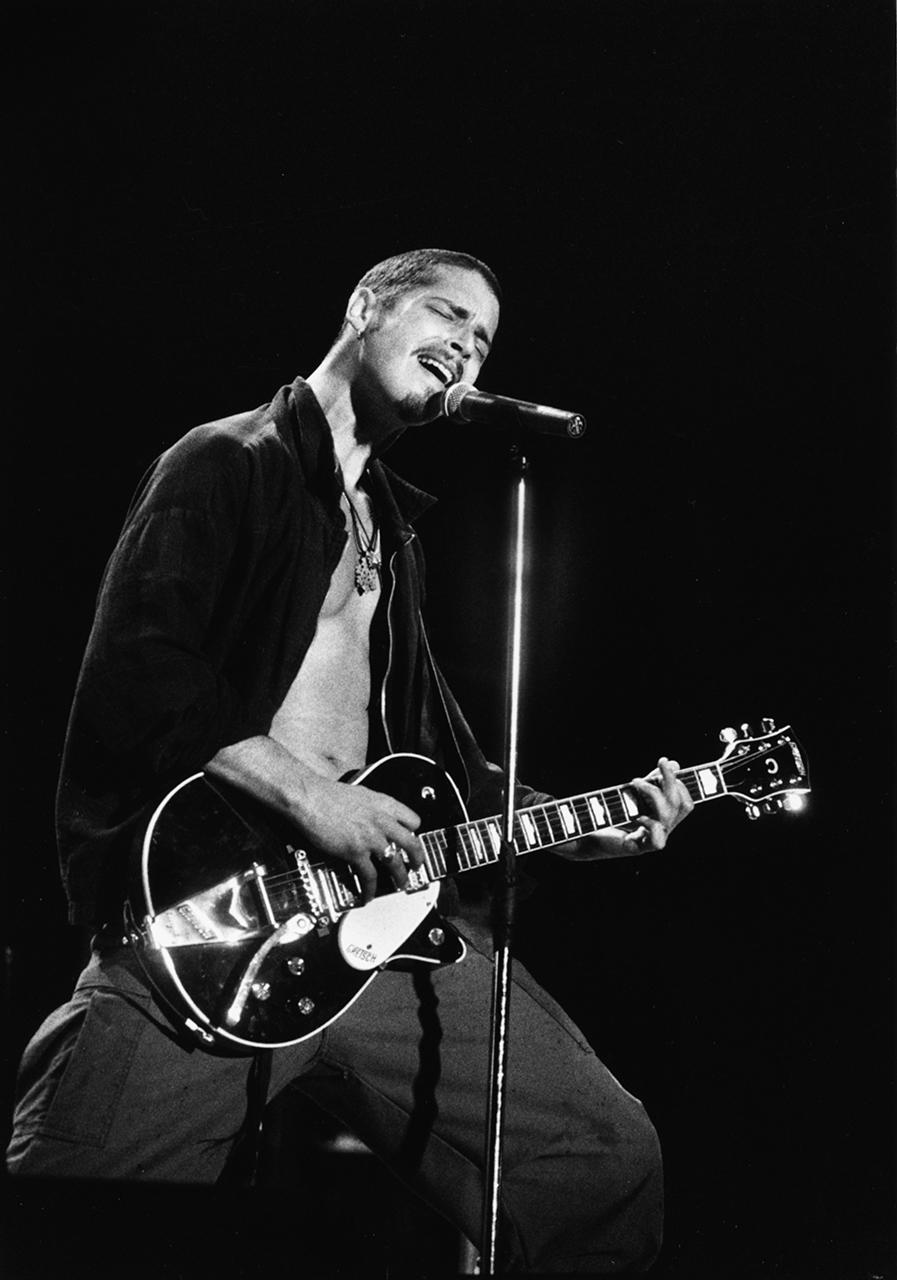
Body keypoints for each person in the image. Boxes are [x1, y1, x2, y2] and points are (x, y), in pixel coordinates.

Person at [7, 248, 693, 1273]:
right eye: (445, 310)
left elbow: (446, 765)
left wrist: (585, 822)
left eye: (485, 336)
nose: (467, 341)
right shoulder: (225, 461)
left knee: (601, 1157)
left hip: (378, 931)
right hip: (215, 921)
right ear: (366, 305)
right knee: (74, 1217)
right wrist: (317, 803)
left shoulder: (392, 532)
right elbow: (141, 671)